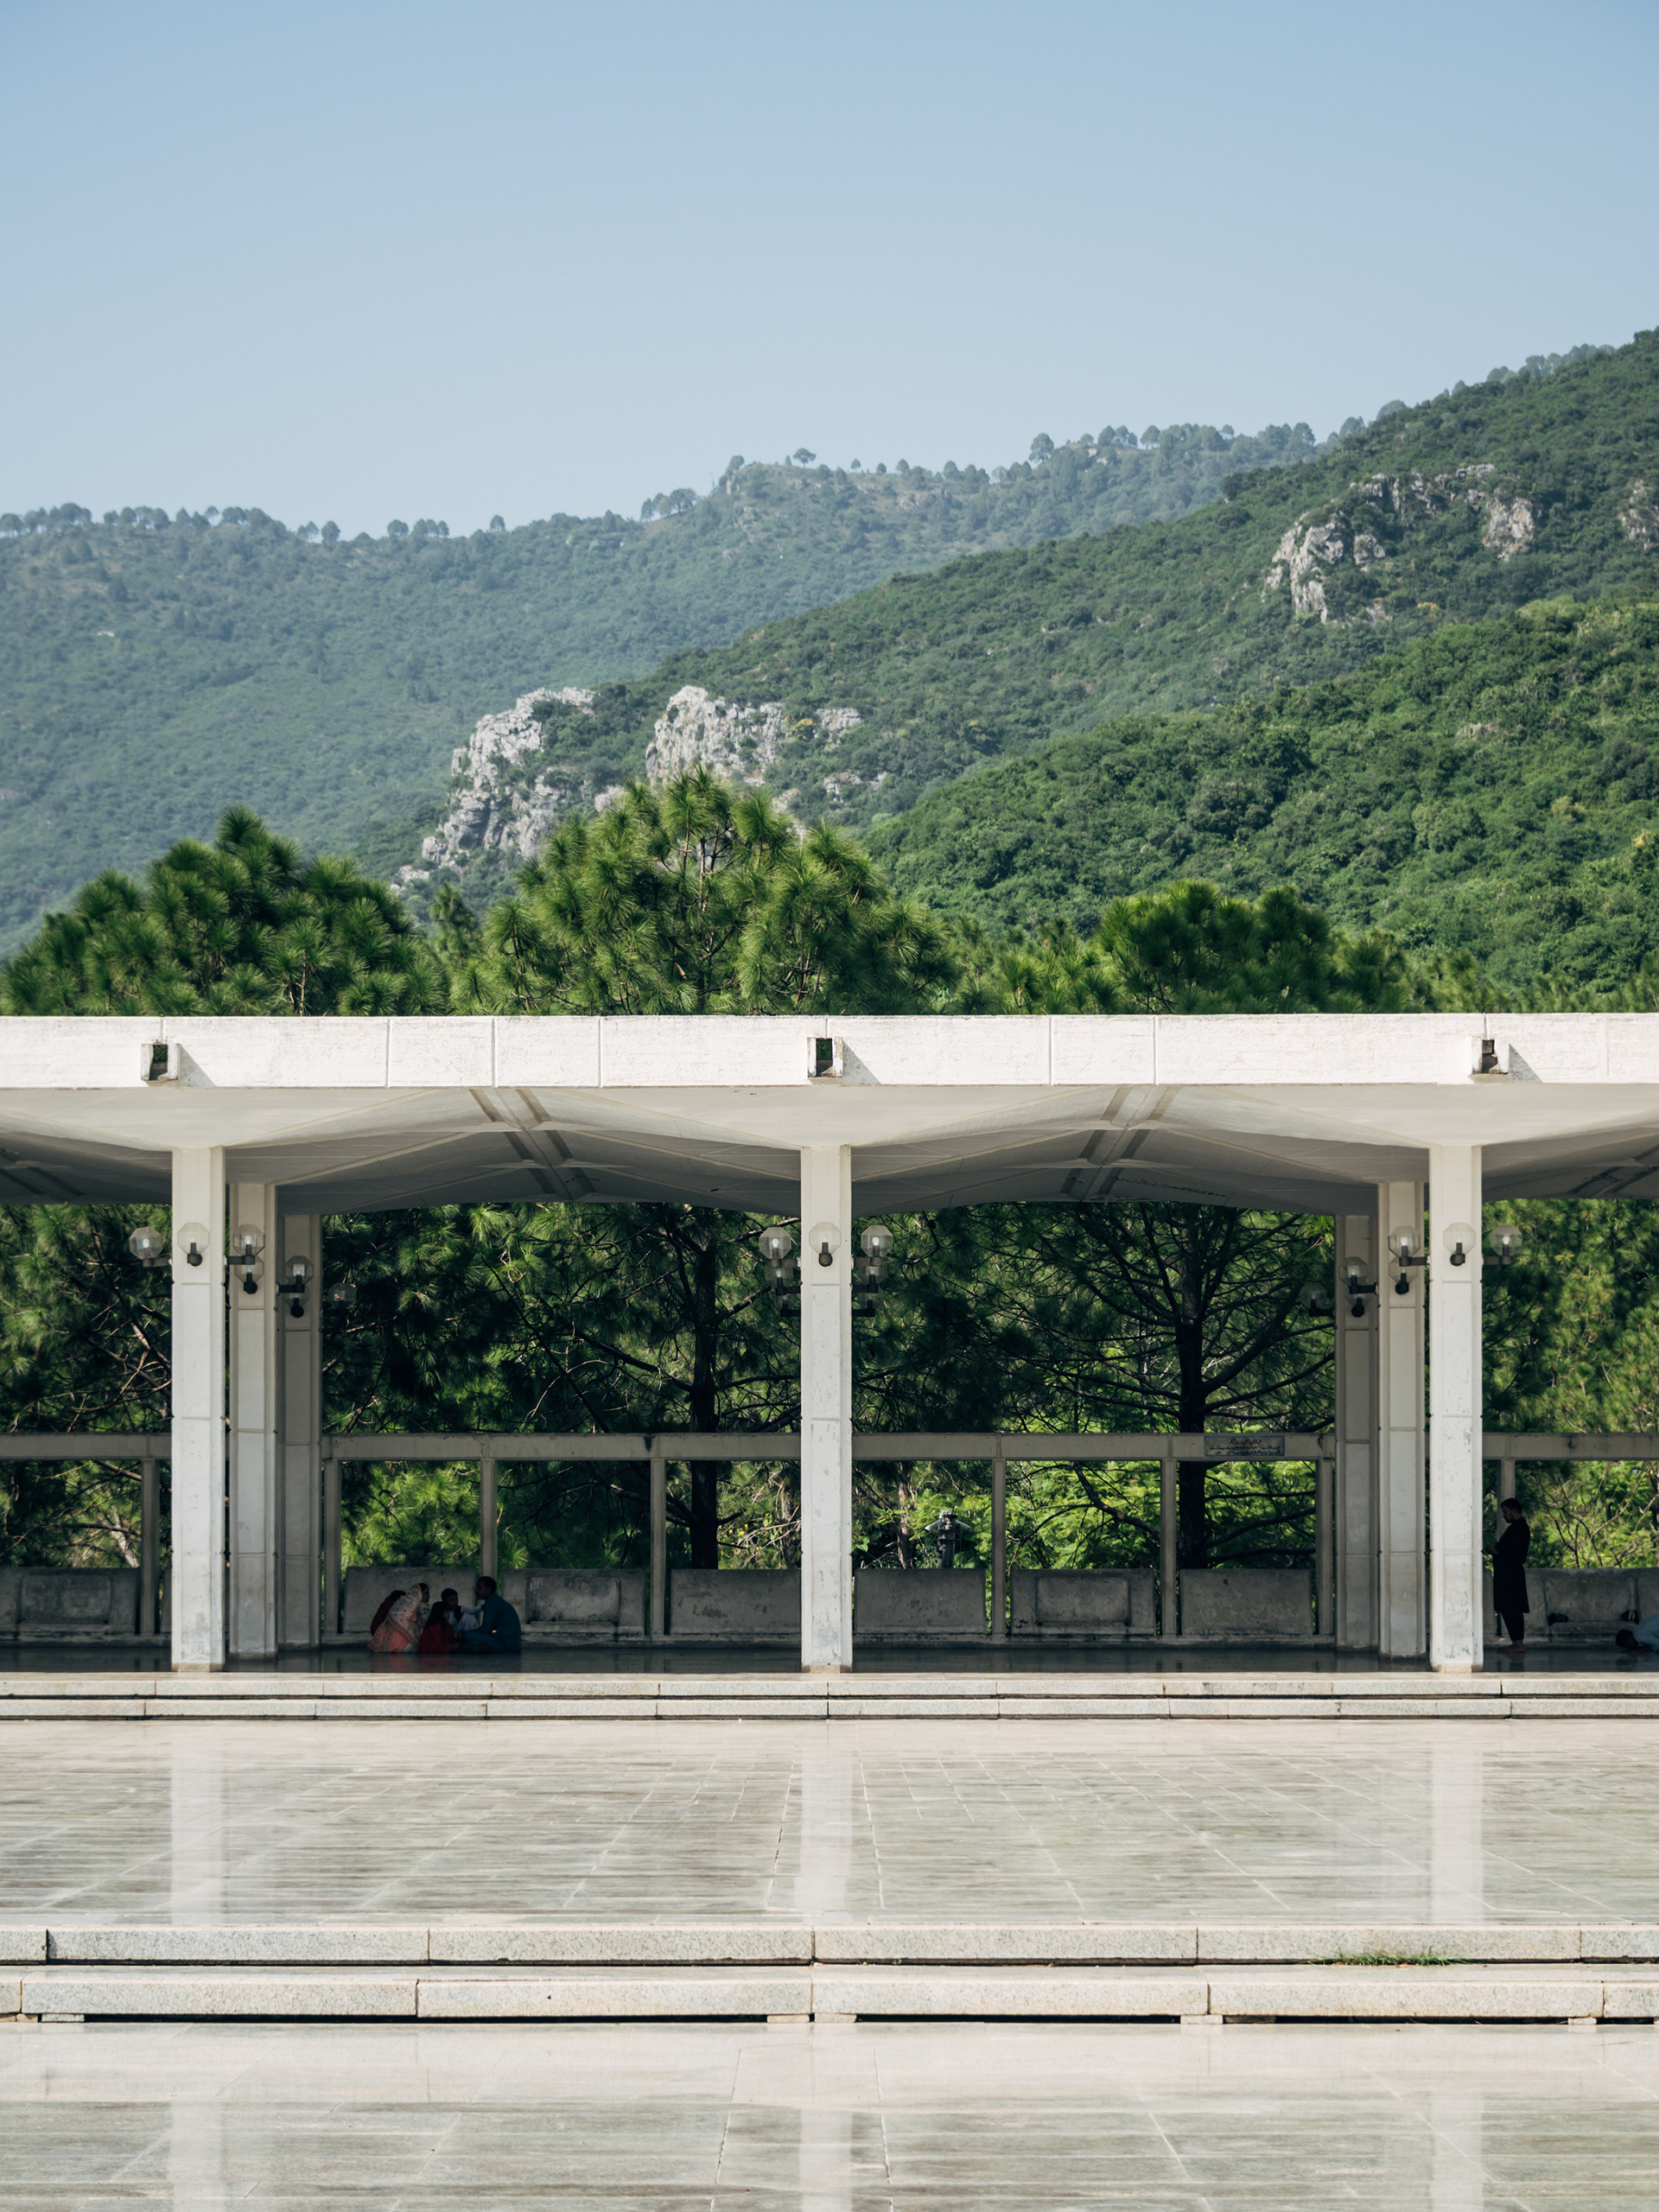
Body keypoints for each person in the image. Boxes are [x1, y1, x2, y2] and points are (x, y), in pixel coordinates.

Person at [1486, 1497, 1529, 1656]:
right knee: (1509, 1608)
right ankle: (1516, 1642)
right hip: (1509, 1574)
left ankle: (1518, 1643)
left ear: (1513, 1511)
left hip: (1511, 1576)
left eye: (1505, 1512)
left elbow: (1504, 1548)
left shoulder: (1519, 1528)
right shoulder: (1517, 1528)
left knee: (1512, 1608)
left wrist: (1490, 1548)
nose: (1504, 1516)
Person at [458, 1574, 521, 1654]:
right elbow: (491, 1630)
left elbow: (485, 1630)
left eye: (479, 1588)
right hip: (508, 1641)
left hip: (504, 1643)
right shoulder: (494, 1601)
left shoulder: (491, 1603)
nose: (476, 1590)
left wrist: (465, 1633)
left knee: (467, 1636)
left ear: (489, 1590)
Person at [369, 1581, 428, 1654]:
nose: (429, 1596)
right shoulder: (408, 1605)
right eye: (426, 1593)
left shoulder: (420, 1606)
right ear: (419, 1594)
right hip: (403, 1642)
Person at [418, 1588, 461, 1655]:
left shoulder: (448, 1626)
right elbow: (439, 1645)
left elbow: (452, 1641)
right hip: (428, 1651)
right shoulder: (435, 1627)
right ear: (440, 1613)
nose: (448, 1613)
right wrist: (451, 1647)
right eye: (446, 1611)